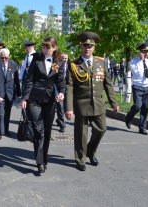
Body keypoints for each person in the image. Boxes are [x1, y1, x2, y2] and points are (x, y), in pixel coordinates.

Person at [65, 31, 118, 172]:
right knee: (81, 134)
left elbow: (108, 84)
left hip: (98, 103)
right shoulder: (74, 65)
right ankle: (80, 158)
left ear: (94, 48)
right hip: (81, 104)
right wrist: (69, 108)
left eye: (90, 46)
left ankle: (90, 151)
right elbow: (69, 87)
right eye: (85, 46)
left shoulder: (101, 63)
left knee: (101, 129)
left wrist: (114, 103)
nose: (87, 48)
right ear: (81, 47)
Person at [21, 36, 65, 174]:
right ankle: (39, 162)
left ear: (55, 48)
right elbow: (30, 79)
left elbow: (60, 81)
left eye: (48, 47)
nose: (45, 49)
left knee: (47, 131)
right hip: (34, 99)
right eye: (44, 46)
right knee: (38, 130)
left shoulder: (58, 62)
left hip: (50, 101)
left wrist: (61, 93)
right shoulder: (36, 58)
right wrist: (25, 98)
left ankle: (44, 159)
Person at [125, 42, 148, 135]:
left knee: (145, 108)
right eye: (144, 51)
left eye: (147, 51)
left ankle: (142, 128)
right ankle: (128, 118)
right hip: (137, 87)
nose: (146, 53)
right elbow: (135, 73)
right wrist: (141, 61)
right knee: (137, 106)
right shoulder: (133, 62)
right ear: (140, 52)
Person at [0, 48, 21, 136]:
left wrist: (19, 93)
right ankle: (0, 131)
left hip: (10, 93)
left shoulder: (13, 65)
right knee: (0, 113)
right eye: (2, 58)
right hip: (0, 93)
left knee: (7, 112)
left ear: (8, 57)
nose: (4, 59)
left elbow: (16, 80)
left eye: (6, 58)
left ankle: (6, 130)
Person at [55, 52, 69, 133]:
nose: (65, 60)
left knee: (64, 107)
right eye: (63, 58)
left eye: (66, 58)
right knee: (60, 106)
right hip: (58, 87)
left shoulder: (71, 66)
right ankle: (62, 125)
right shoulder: (56, 64)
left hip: (68, 88)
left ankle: (59, 120)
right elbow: (52, 75)